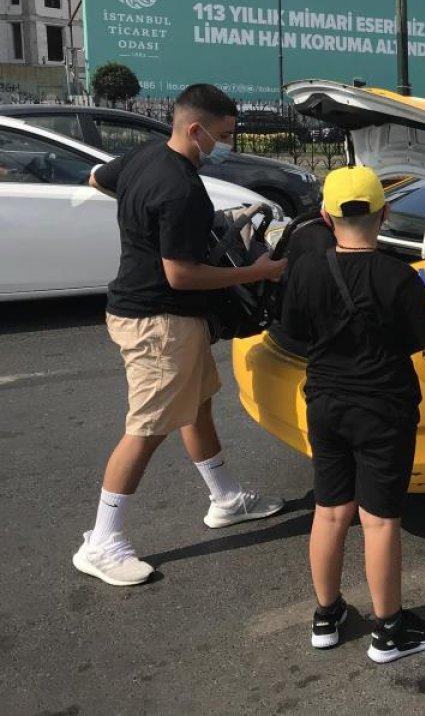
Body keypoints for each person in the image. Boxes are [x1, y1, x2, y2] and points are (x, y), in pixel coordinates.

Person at [74, 84, 287, 587]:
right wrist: (257, 272)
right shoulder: (181, 187)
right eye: (224, 135)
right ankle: (102, 540)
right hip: (157, 321)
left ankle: (227, 499)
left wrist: (140, 221)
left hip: (161, 315)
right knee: (147, 428)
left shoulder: (146, 157)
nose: (227, 143)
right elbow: (182, 274)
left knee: (197, 406)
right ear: (196, 130)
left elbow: (98, 177)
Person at [280, 165, 425, 663]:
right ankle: (390, 630)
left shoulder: (306, 268)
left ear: (326, 216)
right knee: (379, 522)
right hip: (383, 409)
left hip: (326, 403)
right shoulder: (398, 277)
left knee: (330, 511)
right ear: (385, 213)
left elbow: (294, 334)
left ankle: (327, 615)